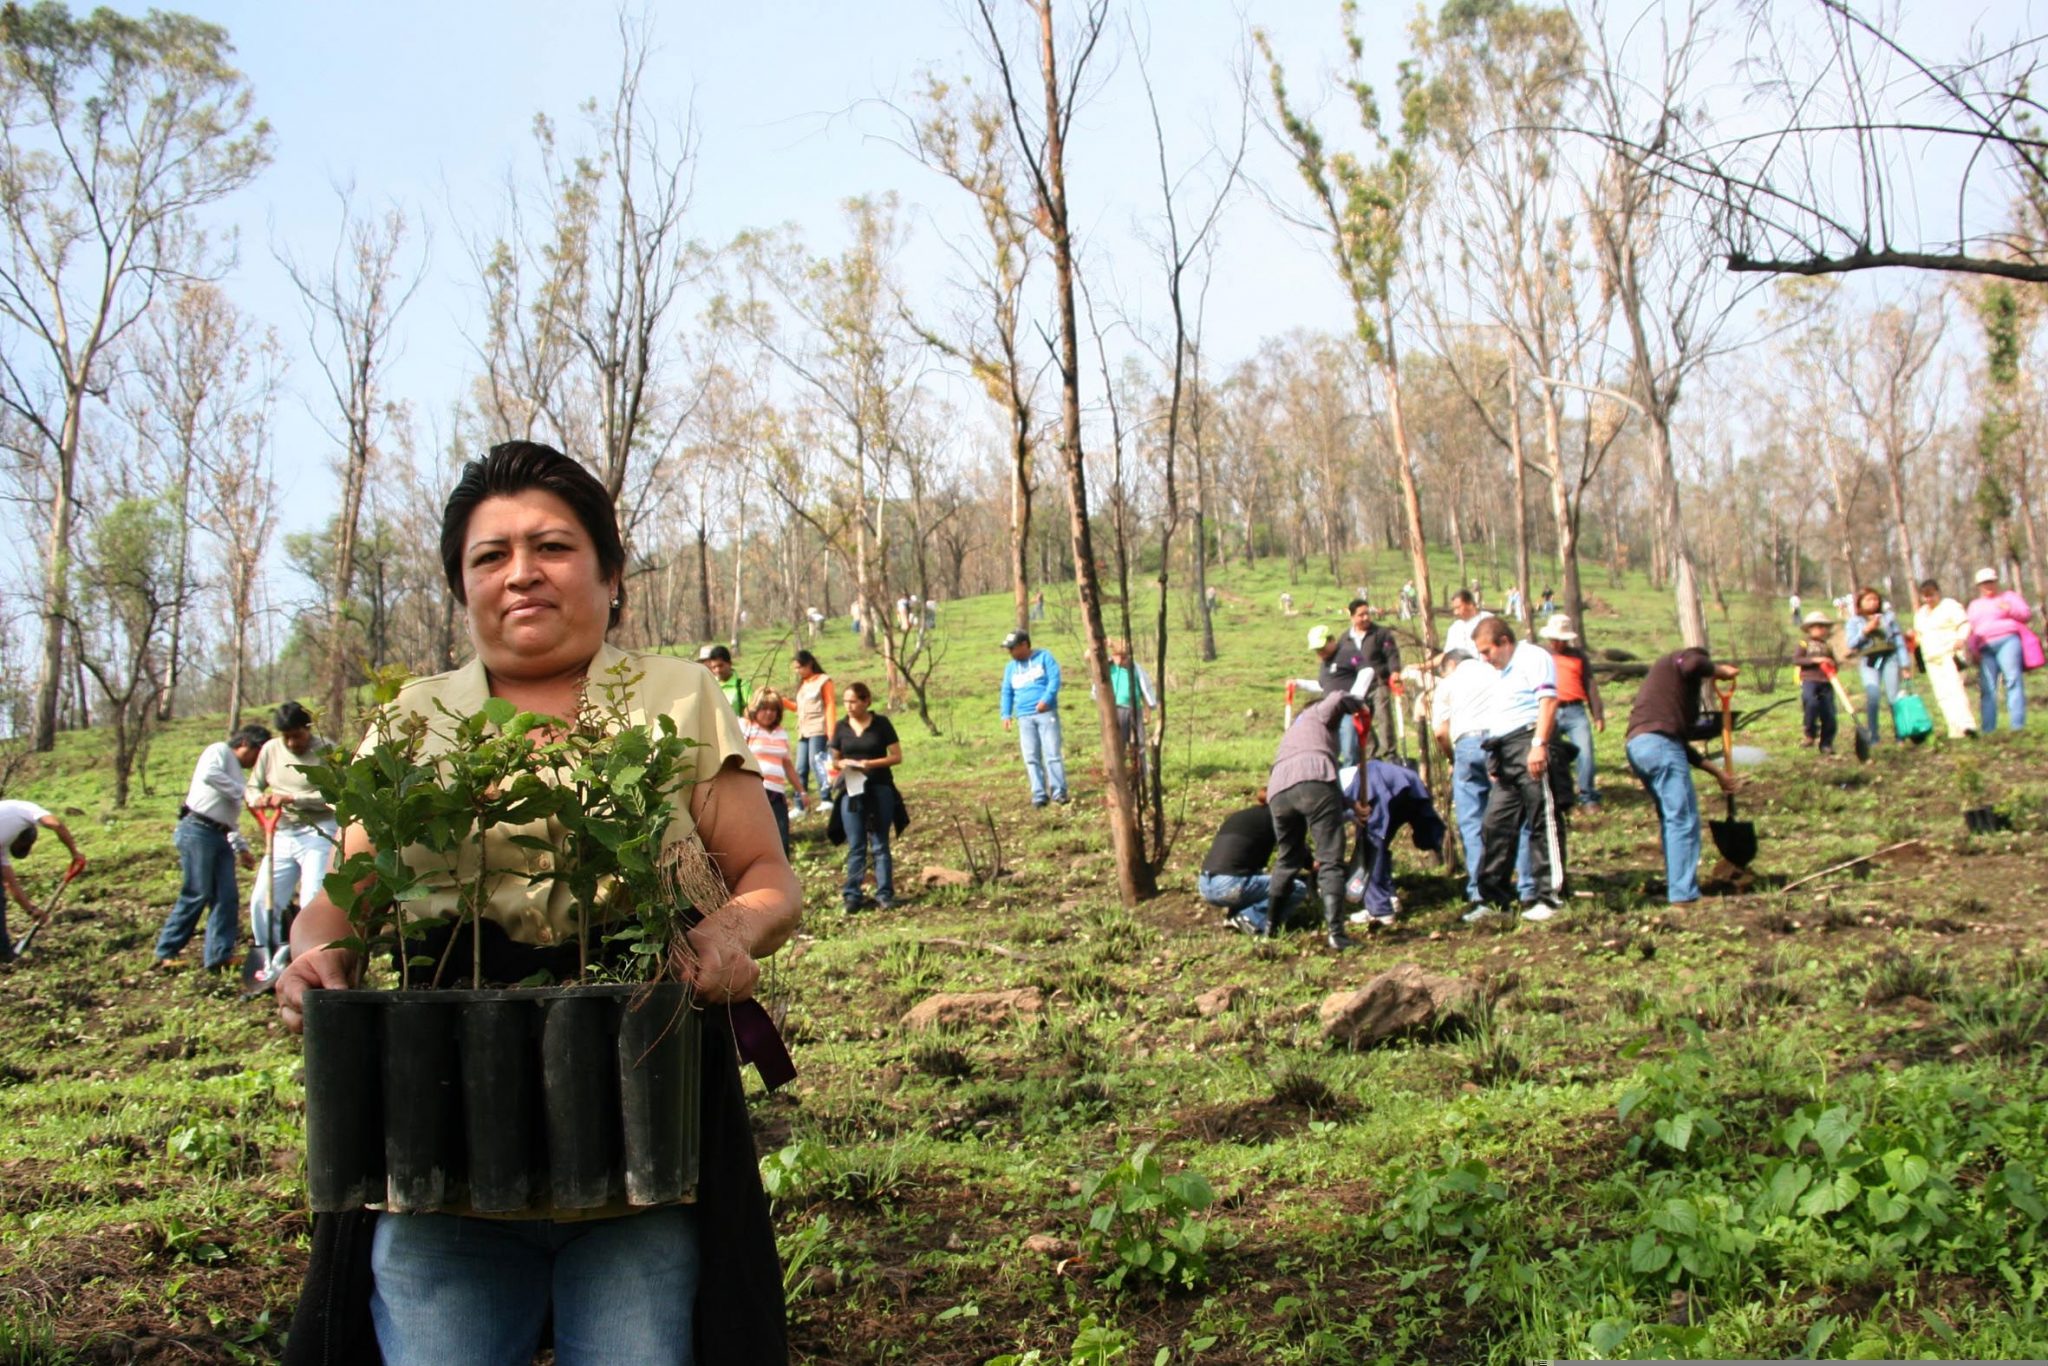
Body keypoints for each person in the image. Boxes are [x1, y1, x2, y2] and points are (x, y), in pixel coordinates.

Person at [274, 441, 797, 1364]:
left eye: (553, 547)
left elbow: (767, 877)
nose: (522, 574)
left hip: (641, 1128)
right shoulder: (415, 720)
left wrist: (731, 931)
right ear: (460, 585)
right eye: (490, 555)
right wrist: (316, 952)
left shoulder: (675, 698)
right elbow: (346, 903)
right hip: (440, 1136)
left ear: (609, 571)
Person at [1265, 651, 1374, 952]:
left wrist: (1351, 805)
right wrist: (1360, 707)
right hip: (1314, 781)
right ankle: (1336, 934)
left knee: (1287, 859)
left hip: (1279, 789)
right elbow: (1338, 696)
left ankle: (1270, 928)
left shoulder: (1294, 733)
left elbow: (1313, 783)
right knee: (1330, 859)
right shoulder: (1316, 713)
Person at [1467, 618, 1574, 923]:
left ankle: (1550, 897)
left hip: (1531, 741)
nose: (1485, 659)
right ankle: (1494, 898)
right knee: (1495, 824)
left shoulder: (1532, 657)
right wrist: (1495, 760)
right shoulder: (1499, 673)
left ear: (1504, 641)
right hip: (1506, 750)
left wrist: (1539, 744)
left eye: (1487, 651)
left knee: (1543, 820)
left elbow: (1548, 701)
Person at [1624, 643, 1743, 907]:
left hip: (1640, 746)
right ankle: (1683, 894)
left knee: (1672, 817)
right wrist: (1718, 669)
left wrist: (1717, 773)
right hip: (1659, 746)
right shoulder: (1687, 658)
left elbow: (1678, 746)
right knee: (1683, 819)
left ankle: (1679, 885)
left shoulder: (1666, 694)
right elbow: (1693, 664)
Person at [154, 724, 268, 972]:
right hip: (197, 829)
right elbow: (210, 775)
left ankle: (219, 954)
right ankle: (166, 951)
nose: (258, 761)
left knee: (227, 896)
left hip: (220, 835)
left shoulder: (238, 774)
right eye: (258, 754)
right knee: (197, 891)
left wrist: (242, 848)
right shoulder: (219, 751)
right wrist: (246, 794)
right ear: (247, 744)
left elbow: (230, 818)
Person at [247, 701, 337, 983]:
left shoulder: (326, 749)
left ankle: (308, 959)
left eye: (296, 735)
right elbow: (253, 785)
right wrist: (257, 799)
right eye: (285, 736)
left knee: (312, 899)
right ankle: (270, 955)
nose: (290, 742)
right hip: (281, 832)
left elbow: (336, 794)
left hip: (318, 831)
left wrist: (295, 799)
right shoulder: (270, 750)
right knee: (263, 899)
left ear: (307, 729)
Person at [1431, 646, 1506, 909]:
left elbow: (1440, 732)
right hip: (1500, 744)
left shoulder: (1448, 682)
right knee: (1510, 817)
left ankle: (1479, 889)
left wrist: (1452, 758)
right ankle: (1523, 886)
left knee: (1472, 822)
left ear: (1450, 665)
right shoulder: (1496, 672)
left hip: (1467, 745)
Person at [1338, 759, 1445, 928]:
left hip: (1372, 781)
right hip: (1402, 779)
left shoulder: (1319, 798)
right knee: (1379, 842)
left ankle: (1380, 910)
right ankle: (1389, 898)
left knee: (1369, 847)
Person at [829, 682, 904, 912]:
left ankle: (885, 893)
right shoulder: (841, 726)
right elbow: (834, 758)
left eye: (853, 701)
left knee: (880, 843)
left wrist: (869, 764)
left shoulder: (881, 724)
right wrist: (842, 763)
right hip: (852, 790)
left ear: (866, 701)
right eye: (846, 701)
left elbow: (896, 756)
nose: (849, 706)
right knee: (856, 844)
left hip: (879, 786)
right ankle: (852, 894)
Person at [1197, 790, 1307, 936]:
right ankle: (1252, 920)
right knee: (1296, 887)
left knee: (1257, 875)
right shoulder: (1279, 818)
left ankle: (1235, 916)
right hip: (1229, 885)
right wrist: (1313, 866)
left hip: (1205, 884)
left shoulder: (1243, 816)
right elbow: (1295, 849)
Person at [0, 799, 84, 961]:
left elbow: (10, 883)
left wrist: (31, 910)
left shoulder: (2, 842)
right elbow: (56, 824)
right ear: (21, 838)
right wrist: (75, 853)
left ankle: (4, 952)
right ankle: (4, 953)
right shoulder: (27, 810)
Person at [1539, 615, 1605, 809]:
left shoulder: (1578, 656)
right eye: (1554, 639)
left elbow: (1590, 684)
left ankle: (1587, 796)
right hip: (1550, 710)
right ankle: (1556, 794)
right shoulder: (1542, 655)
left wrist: (1598, 714)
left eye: (1561, 640)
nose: (1557, 643)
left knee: (1585, 753)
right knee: (1551, 754)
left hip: (1575, 710)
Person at [1000, 630, 1069, 807]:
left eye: (1013, 648)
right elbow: (1007, 691)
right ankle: (1039, 794)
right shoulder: (1010, 668)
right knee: (1031, 757)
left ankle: (1059, 792)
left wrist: (1046, 700)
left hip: (1045, 714)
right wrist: (1006, 714)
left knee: (1052, 753)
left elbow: (1054, 680)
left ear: (1024, 645)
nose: (1011, 653)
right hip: (1024, 716)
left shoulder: (1044, 657)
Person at [1966, 567, 2033, 732]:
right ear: (1978, 586)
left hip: (2007, 641)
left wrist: (2009, 609)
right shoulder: (1975, 605)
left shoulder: (2008, 597)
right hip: (1985, 647)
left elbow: (2025, 614)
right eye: (1984, 583)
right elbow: (1971, 630)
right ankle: (1988, 728)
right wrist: (1972, 649)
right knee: (1988, 687)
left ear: (1996, 582)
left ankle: (2017, 726)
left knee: (2012, 680)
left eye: (1990, 582)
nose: (1988, 586)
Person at [741, 689, 806, 857]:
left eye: (774, 709)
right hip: (754, 791)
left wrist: (801, 791)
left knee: (781, 839)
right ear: (756, 708)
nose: (769, 713)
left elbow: (787, 764)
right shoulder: (747, 728)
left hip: (777, 792)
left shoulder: (781, 733)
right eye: (764, 708)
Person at [1912, 580, 1976, 739]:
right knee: (1942, 694)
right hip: (1931, 657)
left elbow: (1964, 625)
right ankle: (1954, 728)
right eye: (1925, 596)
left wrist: (1961, 638)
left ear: (1938, 593)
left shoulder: (1950, 606)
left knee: (1955, 689)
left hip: (1950, 653)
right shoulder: (1921, 614)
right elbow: (1919, 636)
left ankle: (1967, 724)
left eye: (1931, 595)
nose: (1929, 599)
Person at [1845, 586, 1907, 743]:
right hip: (1869, 661)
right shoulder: (1854, 621)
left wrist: (1904, 664)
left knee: (1894, 697)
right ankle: (1873, 736)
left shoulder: (1888, 618)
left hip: (1889, 658)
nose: (1873, 602)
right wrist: (1865, 631)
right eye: (1868, 599)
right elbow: (1852, 643)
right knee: (1873, 697)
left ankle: (1901, 734)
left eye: (1875, 599)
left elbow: (1898, 641)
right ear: (1860, 603)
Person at [1346, 600, 1402, 760]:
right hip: (1357, 687)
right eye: (1360, 615)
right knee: (1362, 721)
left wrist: (1395, 671)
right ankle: (1371, 755)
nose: (1365, 618)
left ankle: (1390, 753)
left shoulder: (1381, 633)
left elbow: (1392, 654)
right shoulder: (1345, 639)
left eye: (1367, 613)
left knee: (1384, 717)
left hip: (1379, 682)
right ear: (1351, 617)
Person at [1103, 637, 1158, 778]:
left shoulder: (1135, 669)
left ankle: (1141, 773)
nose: (1122, 660)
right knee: (1118, 744)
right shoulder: (1108, 667)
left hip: (1134, 710)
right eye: (1118, 656)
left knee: (1138, 743)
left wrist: (1148, 712)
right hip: (1116, 710)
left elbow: (1145, 691)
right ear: (1113, 656)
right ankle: (1119, 774)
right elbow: (1088, 655)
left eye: (1124, 656)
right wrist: (1106, 643)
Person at [791, 650, 837, 810]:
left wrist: (831, 732)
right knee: (800, 768)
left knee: (816, 762)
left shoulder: (824, 681)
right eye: (796, 668)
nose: (798, 671)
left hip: (819, 728)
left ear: (809, 663)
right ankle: (799, 805)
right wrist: (782, 701)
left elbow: (830, 705)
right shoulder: (803, 685)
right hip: (803, 730)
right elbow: (799, 708)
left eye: (800, 667)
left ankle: (826, 798)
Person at [1794, 611, 1840, 756]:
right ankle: (1810, 734)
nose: (1821, 630)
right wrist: (1816, 660)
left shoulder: (1828, 646)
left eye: (1824, 627)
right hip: (1809, 679)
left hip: (1826, 681)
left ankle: (1826, 743)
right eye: (1817, 626)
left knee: (1829, 712)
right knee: (1811, 703)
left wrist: (1832, 664)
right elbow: (1797, 660)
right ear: (1809, 628)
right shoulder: (1804, 643)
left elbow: (1835, 664)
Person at [1439, 588, 1494, 659]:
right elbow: (1447, 655)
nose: (1455, 612)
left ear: (1470, 604)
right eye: (1454, 609)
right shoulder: (1454, 628)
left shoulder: (1487, 619)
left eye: (1458, 608)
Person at [697, 644, 747, 714]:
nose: (717, 670)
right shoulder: (707, 686)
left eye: (720, 665)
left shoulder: (741, 686)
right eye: (714, 667)